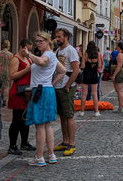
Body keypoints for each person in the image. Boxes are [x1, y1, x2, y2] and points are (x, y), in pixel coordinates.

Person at [24, 32, 66, 167]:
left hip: (40, 91)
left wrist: (29, 55)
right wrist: (51, 84)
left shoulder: (47, 55)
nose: (37, 43)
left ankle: (39, 157)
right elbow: (63, 70)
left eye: (40, 41)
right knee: (47, 125)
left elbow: (42, 62)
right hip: (48, 90)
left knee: (40, 127)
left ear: (47, 41)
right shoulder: (52, 55)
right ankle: (51, 155)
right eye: (36, 41)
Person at [52, 28, 80, 157]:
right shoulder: (58, 50)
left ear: (66, 37)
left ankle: (71, 144)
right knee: (62, 116)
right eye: (56, 37)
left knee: (69, 115)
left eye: (59, 37)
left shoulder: (71, 50)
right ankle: (65, 140)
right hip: (58, 85)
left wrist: (68, 85)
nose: (57, 39)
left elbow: (76, 70)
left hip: (66, 86)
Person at [7, 39, 36, 156]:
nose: (28, 52)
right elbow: (12, 75)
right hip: (19, 91)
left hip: (27, 91)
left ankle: (24, 142)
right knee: (17, 119)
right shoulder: (15, 59)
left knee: (25, 118)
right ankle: (12, 145)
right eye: (27, 49)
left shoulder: (27, 58)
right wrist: (26, 70)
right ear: (21, 48)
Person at [80, 41, 103, 117]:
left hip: (86, 74)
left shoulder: (85, 55)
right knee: (95, 94)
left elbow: (83, 66)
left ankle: (82, 111)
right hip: (94, 74)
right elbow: (99, 66)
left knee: (84, 94)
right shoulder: (98, 55)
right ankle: (96, 111)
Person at [111, 41, 123, 113]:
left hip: (121, 72)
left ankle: (120, 108)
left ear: (118, 47)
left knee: (119, 91)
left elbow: (119, 66)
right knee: (120, 91)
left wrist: (114, 75)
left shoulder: (120, 55)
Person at [0, 40, 13, 106]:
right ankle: (5, 100)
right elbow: (11, 64)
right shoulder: (10, 54)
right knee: (7, 86)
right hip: (7, 71)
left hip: (0, 71)